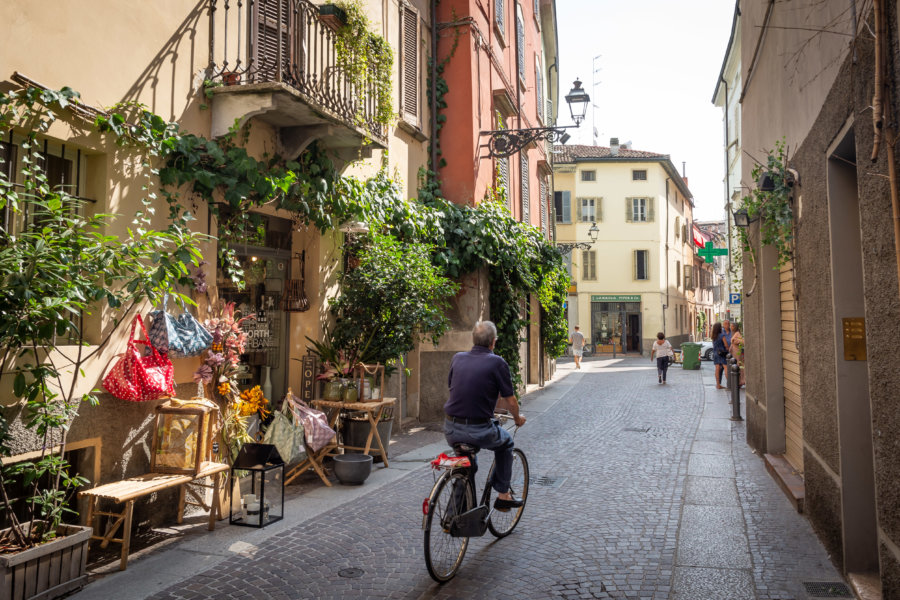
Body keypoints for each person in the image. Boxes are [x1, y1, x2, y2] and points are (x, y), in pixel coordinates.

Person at [444, 321, 527, 511]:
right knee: (506, 443)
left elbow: (453, 386)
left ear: (473, 340)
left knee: (466, 466)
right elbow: (510, 400)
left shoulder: (457, 358)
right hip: (477, 429)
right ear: (493, 342)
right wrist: (517, 419)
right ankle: (503, 495)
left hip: (450, 428)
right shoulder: (497, 362)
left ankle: (454, 514)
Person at [712, 321, 728, 389]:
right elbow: (726, 345)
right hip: (722, 353)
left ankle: (718, 385)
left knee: (717, 369)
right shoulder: (722, 335)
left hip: (715, 353)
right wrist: (728, 349)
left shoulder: (713, 336)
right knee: (726, 367)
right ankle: (729, 384)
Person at [729, 322, 745, 387]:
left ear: (734, 327)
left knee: (738, 366)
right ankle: (738, 381)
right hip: (734, 352)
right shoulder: (734, 333)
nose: (730, 327)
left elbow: (742, 342)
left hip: (737, 353)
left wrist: (735, 341)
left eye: (731, 326)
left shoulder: (737, 333)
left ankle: (741, 381)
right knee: (736, 366)